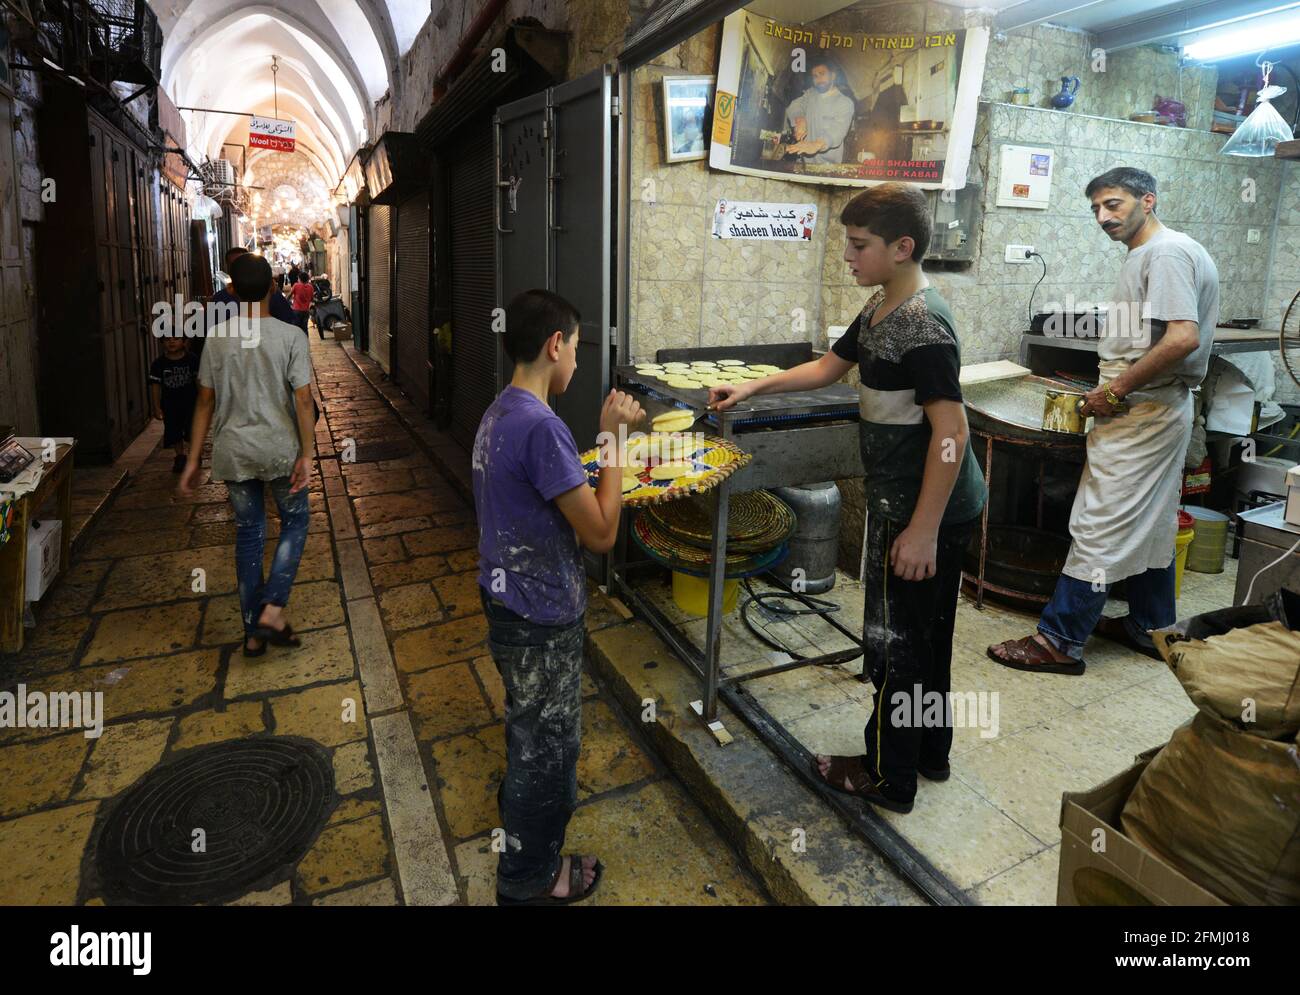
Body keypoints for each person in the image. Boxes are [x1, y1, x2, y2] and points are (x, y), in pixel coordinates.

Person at [709, 183, 987, 813]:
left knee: (896, 643)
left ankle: (889, 777)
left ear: (902, 247)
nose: (848, 258)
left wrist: (920, 532)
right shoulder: (881, 308)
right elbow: (828, 368)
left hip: (925, 511)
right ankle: (928, 751)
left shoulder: (923, 323)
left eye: (859, 246)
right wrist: (753, 388)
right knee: (925, 638)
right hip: (916, 506)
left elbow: (952, 431)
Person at [988, 168, 1219, 673]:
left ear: (1148, 201)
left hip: (1143, 411)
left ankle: (1060, 641)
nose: (1103, 216)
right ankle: (1151, 628)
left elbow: (1182, 338)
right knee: (1153, 520)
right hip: (1158, 407)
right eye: (1096, 208)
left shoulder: (1166, 253)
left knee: (1099, 523)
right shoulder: (1161, 252)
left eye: (1113, 205)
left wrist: (1113, 389)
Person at [472, 288, 644, 903]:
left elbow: (541, 497)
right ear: (555, 345)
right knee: (548, 754)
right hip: (538, 614)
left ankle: (526, 852)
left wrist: (593, 468)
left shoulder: (502, 411)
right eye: (575, 347)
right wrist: (615, 441)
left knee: (529, 734)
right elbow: (600, 534)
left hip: (507, 602)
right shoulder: (541, 427)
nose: (576, 360)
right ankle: (529, 879)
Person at [179, 252, 316, 658]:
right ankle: (272, 608)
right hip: (280, 449)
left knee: (249, 534)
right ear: (274, 288)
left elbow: (204, 402)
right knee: (294, 520)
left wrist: (192, 460)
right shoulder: (291, 336)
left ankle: (252, 634)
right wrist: (307, 454)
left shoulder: (217, 339)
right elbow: (304, 401)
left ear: (232, 290)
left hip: (235, 453)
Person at [784, 57, 856, 164]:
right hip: (803, 163)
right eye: (815, 76)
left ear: (833, 76)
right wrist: (799, 119)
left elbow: (838, 130)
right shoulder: (811, 94)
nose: (818, 79)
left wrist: (817, 144)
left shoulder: (845, 102)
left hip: (828, 167)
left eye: (822, 74)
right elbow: (795, 105)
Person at [149, 333, 200, 473]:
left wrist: (203, 400)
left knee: (192, 429)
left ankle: (194, 456)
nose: (171, 342)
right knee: (174, 430)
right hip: (170, 403)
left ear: (183, 342)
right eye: (167, 339)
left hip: (190, 402)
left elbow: (198, 381)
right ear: (162, 343)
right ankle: (180, 457)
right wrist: (157, 407)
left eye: (176, 339)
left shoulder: (192, 360)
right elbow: (155, 386)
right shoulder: (158, 364)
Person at [214, 247, 298, 325]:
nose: (239, 269)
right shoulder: (219, 299)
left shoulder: (272, 295)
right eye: (234, 265)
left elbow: (288, 321)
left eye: (244, 264)